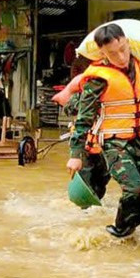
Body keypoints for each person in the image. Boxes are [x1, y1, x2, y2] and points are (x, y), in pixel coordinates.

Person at [66, 23, 140, 238]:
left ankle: (132, 236)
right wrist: (75, 155)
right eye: (113, 53)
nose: (121, 57)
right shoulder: (98, 78)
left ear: (128, 43)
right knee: (133, 188)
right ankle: (119, 231)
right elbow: (84, 118)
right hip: (115, 143)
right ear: (102, 53)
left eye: (123, 49)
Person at [62, 55, 110, 200]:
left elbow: (68, 108)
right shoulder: (103, 91)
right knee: (98, 178)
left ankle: (89, 205)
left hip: (90, 145)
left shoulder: (83, 94)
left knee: (91, 179)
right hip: (99, 145)